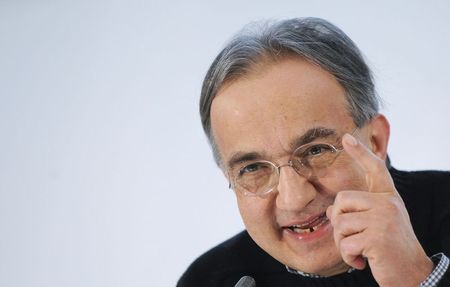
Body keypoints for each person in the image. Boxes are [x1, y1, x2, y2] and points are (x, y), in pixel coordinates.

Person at [178, 17, 450, 286]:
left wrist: (417, 278)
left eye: (316, 150)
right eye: (252, 168)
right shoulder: (207, 279)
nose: (294, 199)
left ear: (376, 141)